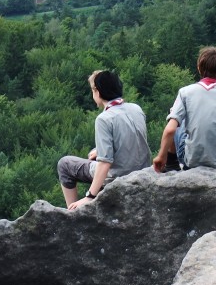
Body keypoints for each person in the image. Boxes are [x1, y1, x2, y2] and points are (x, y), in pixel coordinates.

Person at [57, 70, 151, 210]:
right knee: (94, 153)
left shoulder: (104, 119)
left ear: (97, 91)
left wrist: (90, 196)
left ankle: (72, 213)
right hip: (142, 172)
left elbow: (105, 162)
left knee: (65, 165)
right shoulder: (136, 108)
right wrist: (99, 151)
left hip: (118, 177)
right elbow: (132, 140)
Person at [153, 46, 216, 172]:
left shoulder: (185, 92)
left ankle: (171, 163)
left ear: (199, 68)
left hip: (193, 161)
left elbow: (170, 130)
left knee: (174, 114)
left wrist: (161, 156)